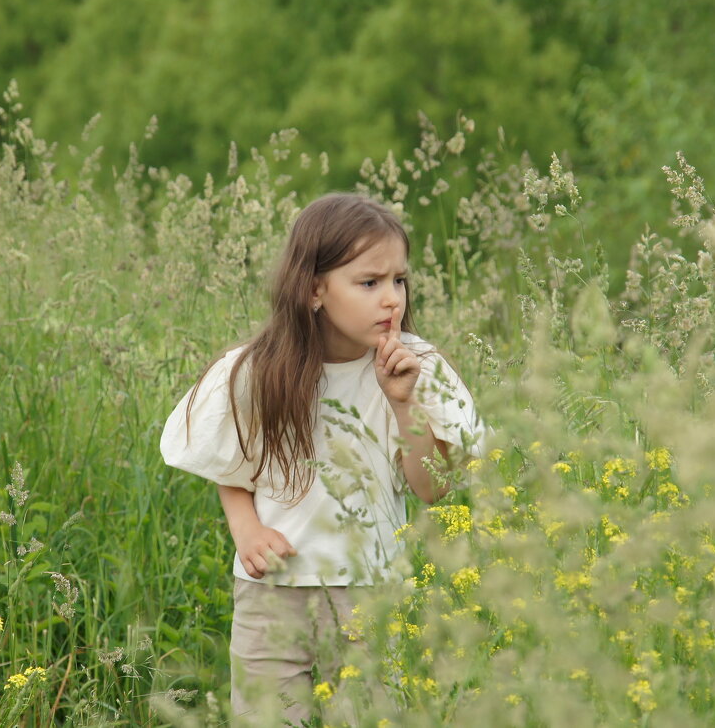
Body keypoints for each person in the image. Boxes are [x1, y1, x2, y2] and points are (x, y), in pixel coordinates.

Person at [159, 192, 491, 726]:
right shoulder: (259, 370)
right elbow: (232, 465)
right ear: (315, 289)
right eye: (369, 282)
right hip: (272, 594)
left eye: (398, 281)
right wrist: (245, 529)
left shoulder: (416, 367)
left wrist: (403, 403)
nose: (392, 300)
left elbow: (433, 489)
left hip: (373, 595)